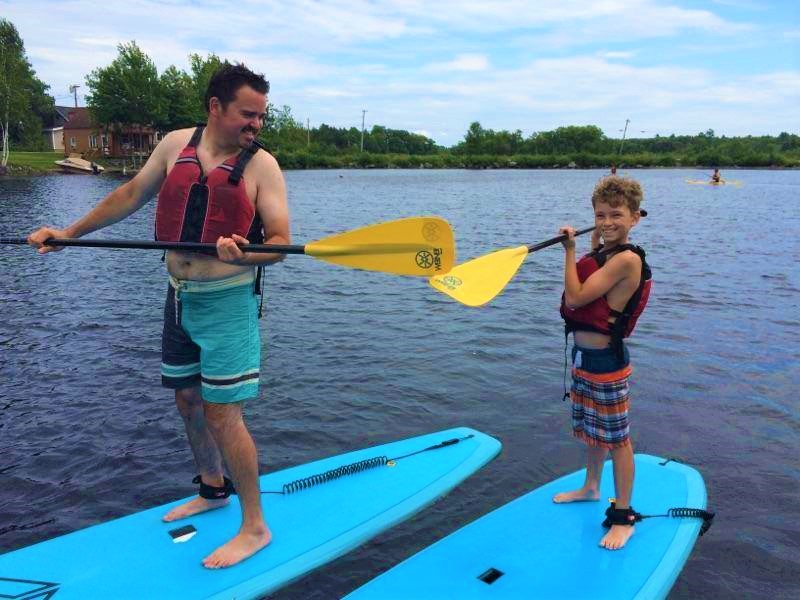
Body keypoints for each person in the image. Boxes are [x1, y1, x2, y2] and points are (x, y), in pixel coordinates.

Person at [28, 63, 289, 569]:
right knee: (187, 400)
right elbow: (128, 196)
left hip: (228, 305)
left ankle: (254, 527)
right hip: (178, 295)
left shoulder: (263, 167)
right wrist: (69, 232)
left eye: (261, 116)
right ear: (215, 108)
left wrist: (248, 254)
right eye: (247, 114)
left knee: (222, 412)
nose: (256, 124)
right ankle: (213, 490)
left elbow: (278, 242)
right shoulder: (174, 145)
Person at [552, 176, 651, 551]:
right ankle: (591, 487)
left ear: (635, 218)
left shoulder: (626, 259)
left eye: (616, 215)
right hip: (586, 359)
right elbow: (593, 263)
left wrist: (568, 250)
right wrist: (589, 245)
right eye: (600, 215)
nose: (607, 222)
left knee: (618, 441)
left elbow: (576, 298)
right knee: (592, 432)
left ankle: (624, 517)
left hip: (607, 362)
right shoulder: (607, 252)